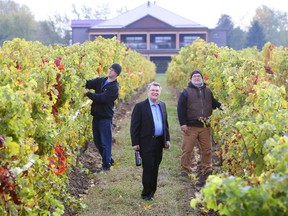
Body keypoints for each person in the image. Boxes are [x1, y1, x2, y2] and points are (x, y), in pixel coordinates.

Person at [177, 69, 221, 187]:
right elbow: (180, 109)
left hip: (205, 126)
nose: (197, 78)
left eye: (198, 76)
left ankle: (207, 170)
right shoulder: (186, 92)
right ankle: (184, 170)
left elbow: (214, 103)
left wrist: (224, 108)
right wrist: (183, 123)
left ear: (201, 78)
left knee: (207, 150)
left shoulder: (207, 91)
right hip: (190, 126)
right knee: (187, 150)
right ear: (191, 78)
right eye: (195, 76)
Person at [130, 81, 171, 201]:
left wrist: (167, 139)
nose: (155, 92)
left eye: (157, 90)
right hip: (146, 142)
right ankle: (146, 193)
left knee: (155, 167)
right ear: (148, 92)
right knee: (148, 167)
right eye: (153, 90)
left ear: (160, 92)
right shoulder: (140, 107)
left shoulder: (162, 105)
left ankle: (152, 191)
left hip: (159, 142)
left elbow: (165, 124)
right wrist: (135, 143)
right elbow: (134, 127)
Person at [84, 63, 122, 172]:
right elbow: (89, 83)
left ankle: (106, 165)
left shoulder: (114, 88)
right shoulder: (101, 81)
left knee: (105, 142)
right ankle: (108, 159)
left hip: (105, 118)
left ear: (116, 74)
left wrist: (88, 94)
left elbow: (102, 98)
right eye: (110, 69)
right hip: (96, 116)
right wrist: (80, 82)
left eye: (113, 70)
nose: (110, 71)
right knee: (97, 141)